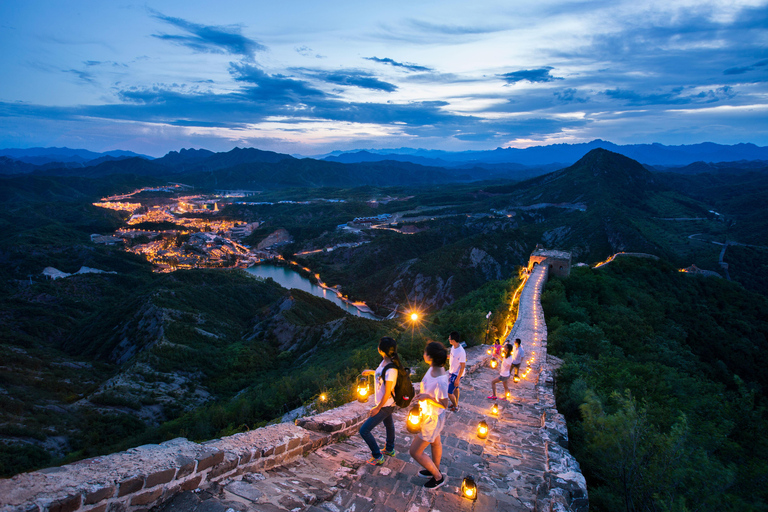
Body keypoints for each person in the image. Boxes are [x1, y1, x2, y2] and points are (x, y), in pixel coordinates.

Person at [410, 341, 450, 490]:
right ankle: (434, 469)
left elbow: (444, 404)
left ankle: (438, 478)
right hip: (430, 414)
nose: (423, 354)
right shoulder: (434, 368)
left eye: (425, 352)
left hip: (433, 418)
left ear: (431, 357)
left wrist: (427, 397)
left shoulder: (441, 380)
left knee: (415, 451)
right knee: (435, 443)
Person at [359, 336, 402, 465]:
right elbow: (382, 375)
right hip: (385, 405)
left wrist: (378, 408)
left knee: (364, 430)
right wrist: (371, 372)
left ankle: (377, 456)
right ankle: (389, 449)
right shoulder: (385, 362)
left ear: (381, 350)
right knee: (389, 425)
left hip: (385, 405)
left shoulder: (392, 368)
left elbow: (388, 391)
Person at [447, 331, 466, 411]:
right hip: (452, 372)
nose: (449, 339)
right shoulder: (453, 347)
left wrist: (457, 379)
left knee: (449, 392)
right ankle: (456, 403)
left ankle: (455, 407)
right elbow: (451, 357)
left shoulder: (461, 352)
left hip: (456, 374)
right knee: (456, 389)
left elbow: (462, 366)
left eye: (450, 338)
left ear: (453, 340)